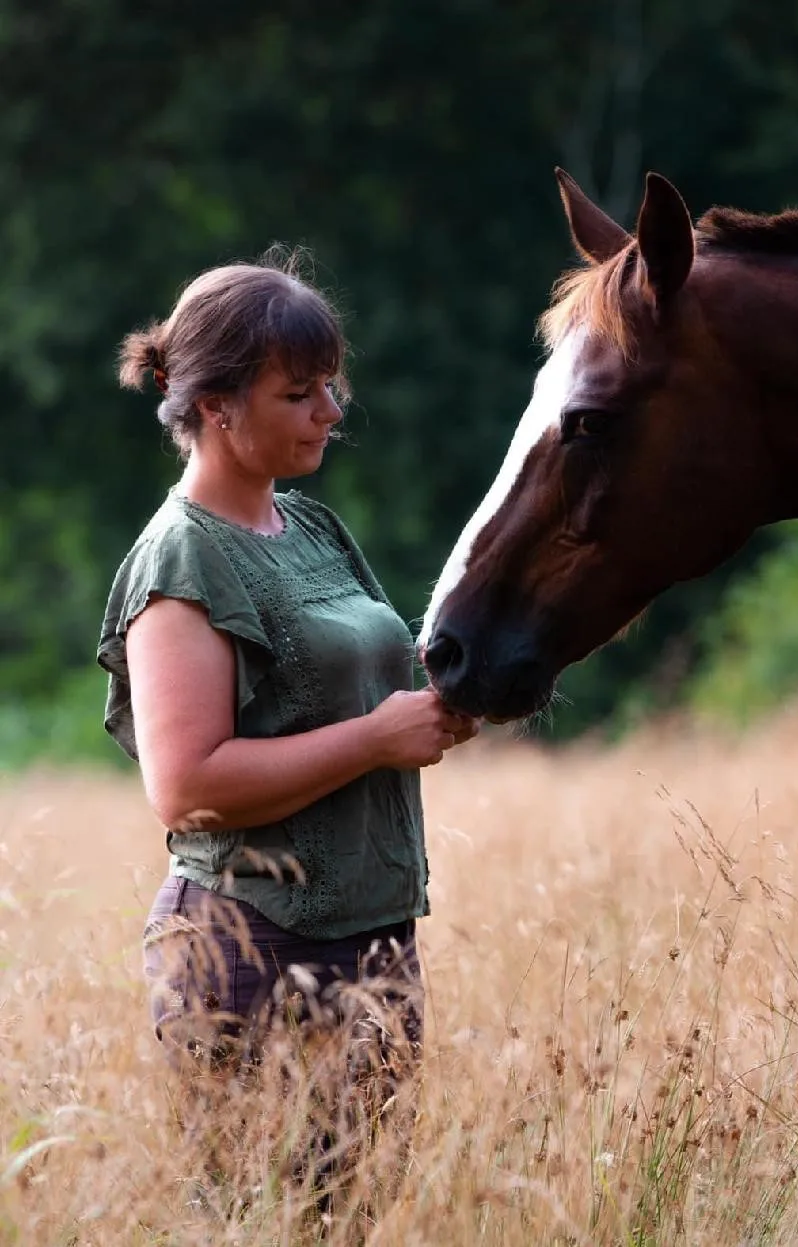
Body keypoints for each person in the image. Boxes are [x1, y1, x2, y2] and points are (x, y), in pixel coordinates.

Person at [97, 253, 479, 1220]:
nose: (330, 413)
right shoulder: (180, 557)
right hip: (250, 945)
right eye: (299, 393)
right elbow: (185, 786)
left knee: (351, 1223)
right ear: (218, 407)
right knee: (263, 1225)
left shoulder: (308, 524)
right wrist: (374, 739)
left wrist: (444, 705)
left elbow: (376, 689)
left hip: (373, 939)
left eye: (331, 387)